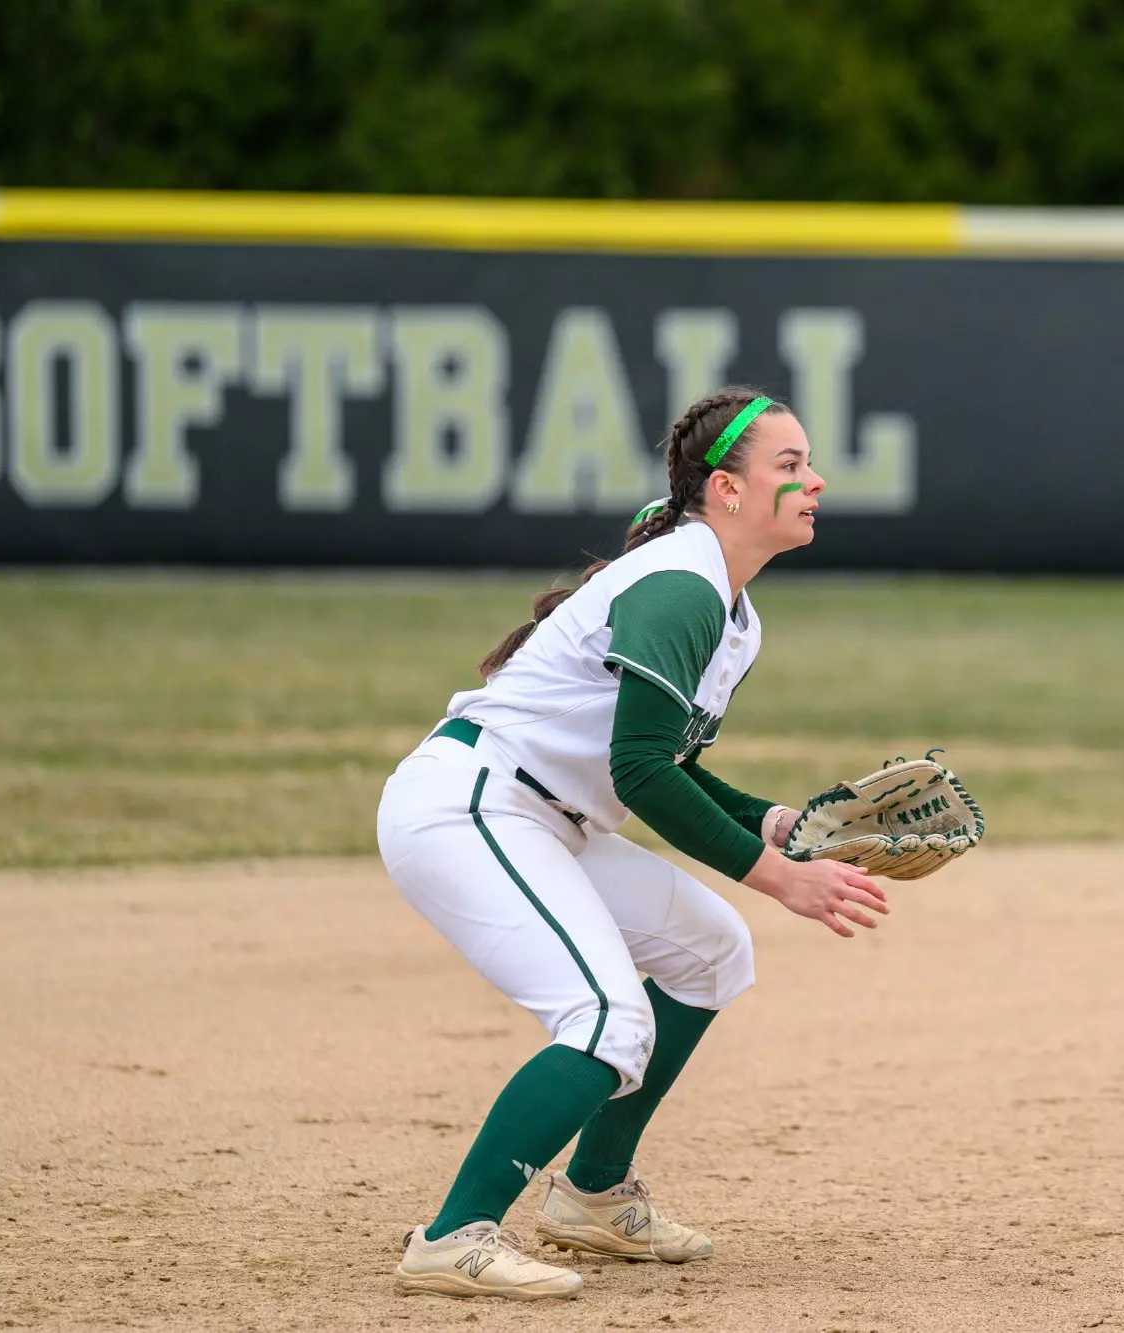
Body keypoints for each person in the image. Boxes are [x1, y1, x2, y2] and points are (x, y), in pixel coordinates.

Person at [377, 388, 887, 1302]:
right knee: (610, 1021)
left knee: (709, 948)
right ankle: (453, 1233)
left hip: (546, 816)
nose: (814, 480)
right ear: (725, 490)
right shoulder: (682, 586)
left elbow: (667, 763)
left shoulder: (730, 610)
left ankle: (592, 1195)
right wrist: (780, 878)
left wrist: (773, 822)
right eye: (789, 465)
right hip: (475, 805)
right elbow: (643, 771)